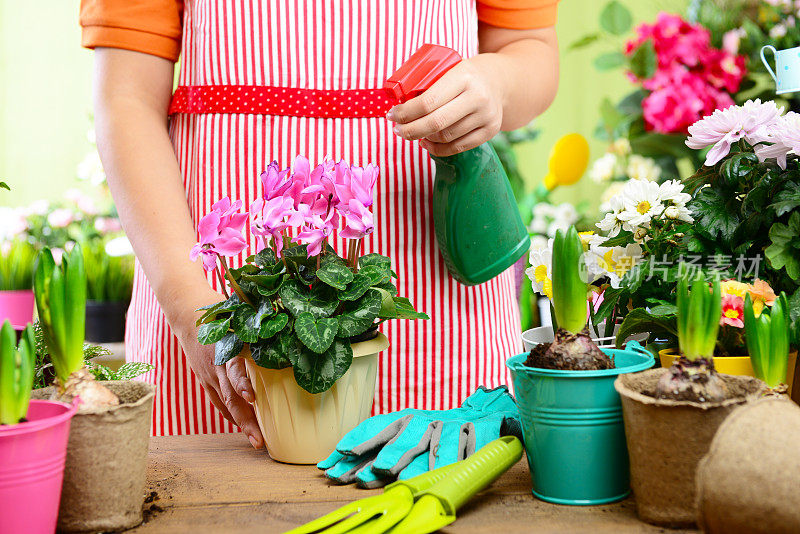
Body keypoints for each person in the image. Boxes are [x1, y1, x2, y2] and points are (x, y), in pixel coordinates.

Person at [80, 0, 559, 448]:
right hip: (217, 292)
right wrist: (192, 309)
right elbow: (126, 99)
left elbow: (531, 48)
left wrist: (494, 83)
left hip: (436, 301)